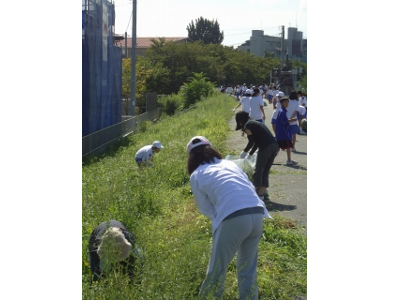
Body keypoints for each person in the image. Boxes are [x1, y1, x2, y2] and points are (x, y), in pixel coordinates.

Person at [187, 136, 271, 300]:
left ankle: (210, 297)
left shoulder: (197, 174)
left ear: (191, 157)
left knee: (217, 269)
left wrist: (221, 217)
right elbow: (247, 185)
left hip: (233, 216)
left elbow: (205, 209)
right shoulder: (229, 164)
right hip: (257, 212)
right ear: (211, 149)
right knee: (247, 268)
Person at [235, 111, 278, 201]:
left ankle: (255, 194)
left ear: (240, 120)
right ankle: (262, 194)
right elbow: (255, 142)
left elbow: (251, 142)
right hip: (274, 146)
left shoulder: (247, 126)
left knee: (259, 170)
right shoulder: (254, 123)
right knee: (265, 170)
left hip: (266, 147)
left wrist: (244, 152)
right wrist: (250, 154)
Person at [275, 97, 298, 165]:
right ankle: (289, 160)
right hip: (283, 133)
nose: (286, 103)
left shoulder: (283, 111)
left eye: (287, 102)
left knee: (279, 147)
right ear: (282, 103)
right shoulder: (282, 112)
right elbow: (284, 122)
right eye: (285, 102)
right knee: (287, 146)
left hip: (282, 132)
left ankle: (289, 159)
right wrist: (292, 120)